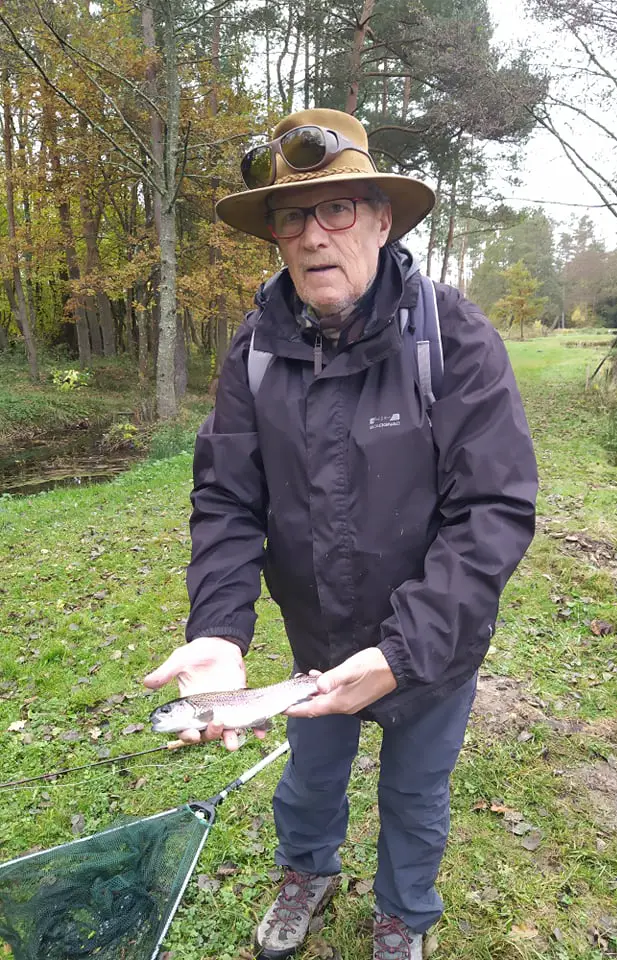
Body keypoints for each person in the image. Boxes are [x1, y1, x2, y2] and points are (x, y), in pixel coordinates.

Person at [144, 108, 538, 960]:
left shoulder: (453, 337)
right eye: (292, 217)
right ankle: (308, 875)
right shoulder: (254, 349)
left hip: (431, 650)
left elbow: (493, 511)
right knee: (311, 779)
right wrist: (217, 629)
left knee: (416, 796)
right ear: (276, 236)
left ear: (382, 218)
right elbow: (226, 500)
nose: (313, 236)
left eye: (337, 210)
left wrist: (405, 652)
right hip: (315, 640)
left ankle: (403, 916)